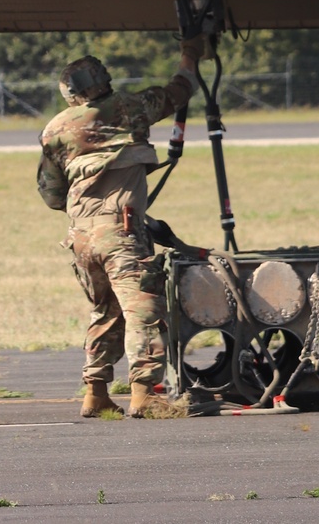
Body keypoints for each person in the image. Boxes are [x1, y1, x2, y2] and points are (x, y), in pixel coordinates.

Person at [37, 40, 206, 418]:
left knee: (106, 311)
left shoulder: (54, 130)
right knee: (144, 310)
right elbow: (178, 92)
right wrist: (190, 57)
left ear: (69, 93)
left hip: (81, 237)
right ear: (104, 80)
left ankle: (95, 393)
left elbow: (50, 194)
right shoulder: (132, 107)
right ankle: (144, 395)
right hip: (122, 233)